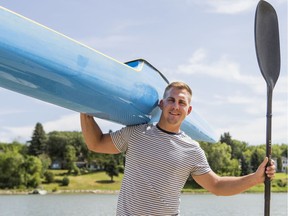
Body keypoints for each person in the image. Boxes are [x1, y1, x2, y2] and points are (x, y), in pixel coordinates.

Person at [80, 81, 275, 216]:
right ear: (162, 104)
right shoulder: (135, 134)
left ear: (188, 110)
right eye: (171, 100)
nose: (175, 106)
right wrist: (83, 108)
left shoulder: (192, 150)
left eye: (182, 102)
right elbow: (95, 143)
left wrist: (256, 178)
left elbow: (216, 185)